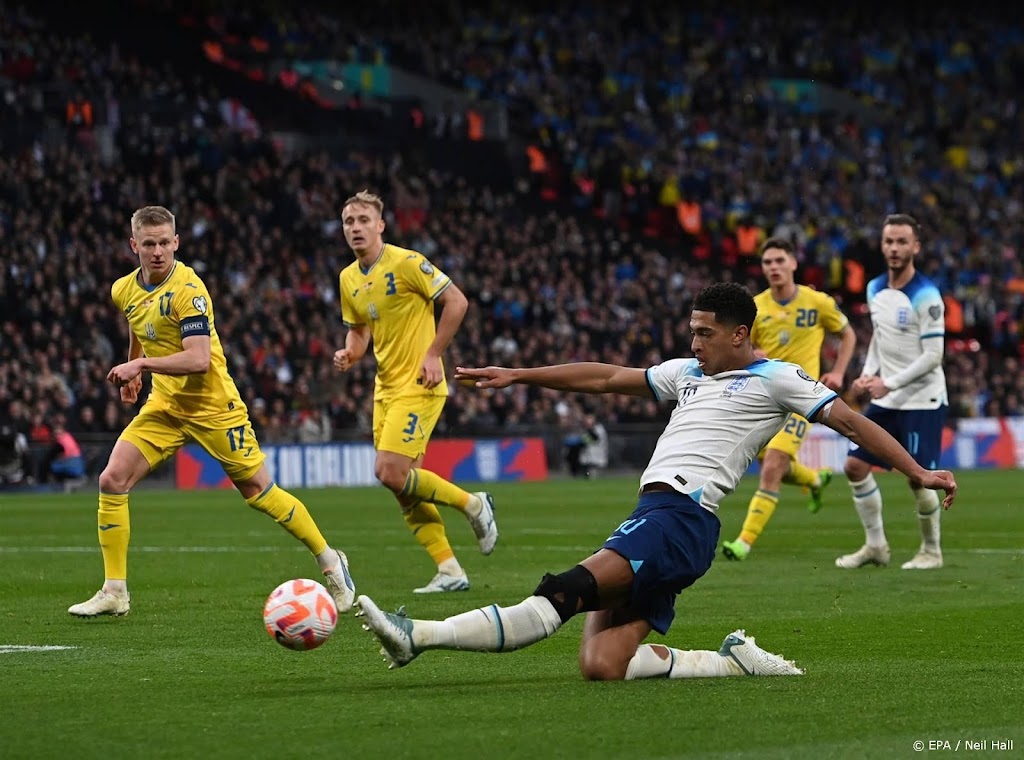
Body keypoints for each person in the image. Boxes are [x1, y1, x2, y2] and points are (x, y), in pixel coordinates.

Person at [356, 283, 956, 681]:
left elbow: (851, 422)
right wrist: (521, 374)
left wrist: (918, 471)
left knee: (562, 593)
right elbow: (606, 378)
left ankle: (419, 637)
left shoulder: (779, 379)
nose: (693, 341)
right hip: (667, 522)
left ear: (738, 334)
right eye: (691, 331)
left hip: (679, 520)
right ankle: (729, 665)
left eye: (704, 332)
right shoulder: (686, 373)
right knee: (600, 664)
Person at [68, 206, 356, 618]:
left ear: (177, 243)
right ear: (134, 245)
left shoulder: (190, 290)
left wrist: (142, 366)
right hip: (166, 405)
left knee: (260, 494)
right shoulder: (122, 289)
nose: (157, 251)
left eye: (165, 242)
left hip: (213, 407)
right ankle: (115, 591)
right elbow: (138, 320)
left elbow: (199, 359)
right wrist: (135, 368)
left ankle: (331, 561)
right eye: (148, 244)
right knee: (112, 479)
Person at [334, 191, 497, 594]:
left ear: (380, 225)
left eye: (362, 220)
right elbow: (359, 330)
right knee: (402, 485)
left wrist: (433, 354)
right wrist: (350, 354)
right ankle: (450, 570)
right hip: (385, 390)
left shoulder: (407, 263)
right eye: (348, 221)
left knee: (388, 472)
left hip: (420, 383)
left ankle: (474, 505)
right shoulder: (348, 278)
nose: (355, 227)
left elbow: (457, 301)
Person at [721, 238, 856, 561]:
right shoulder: (755, 307)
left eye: (780, 260)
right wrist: (752, 353)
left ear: (794, 263)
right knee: (770, 461)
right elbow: (738, 348)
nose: (774, 267)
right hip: (761, 397)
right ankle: (814, 478)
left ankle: (743, 542)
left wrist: (837, 372)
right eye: (767, 262)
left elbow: (847, 334)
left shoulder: (816, 302)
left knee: (773, 467)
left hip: (800, 397)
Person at [836, 214, 949, 570]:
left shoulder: (927, 295)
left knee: (919, 480)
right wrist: (868, 375)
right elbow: (880, 342)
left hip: (923, 400)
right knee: (855, 466)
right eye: (889, 242)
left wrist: (891, 382)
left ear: (915, 246)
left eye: (902, 242)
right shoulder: (874, 288)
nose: (894, 248)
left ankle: (931, 551)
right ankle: (876, 546)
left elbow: (934, 355)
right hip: (888, 398)